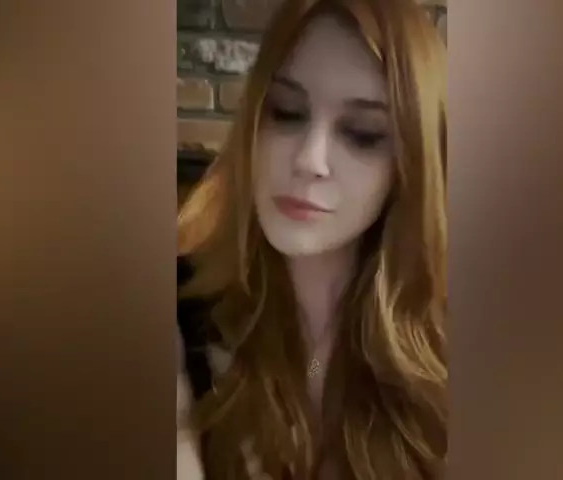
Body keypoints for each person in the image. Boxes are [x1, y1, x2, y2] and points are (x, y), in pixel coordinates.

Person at [177, 0, 447, 478]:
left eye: (363, 134)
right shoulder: (182, 309)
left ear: (409, 164)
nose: (310, 159)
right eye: (286, 112)